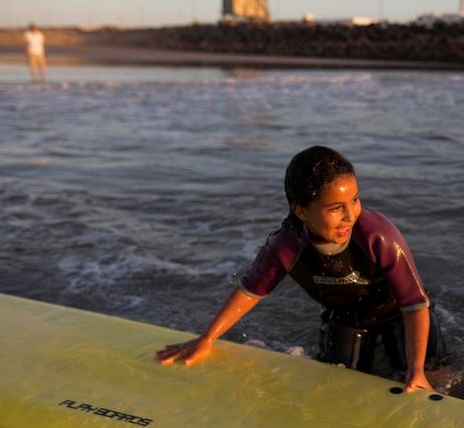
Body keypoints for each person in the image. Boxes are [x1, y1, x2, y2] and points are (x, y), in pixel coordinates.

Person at [155, 146, 445, 392]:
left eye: (354, 201)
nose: (349, 216)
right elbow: (250, 291)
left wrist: (417, 371)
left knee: (427, 378)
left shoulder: (376, 235)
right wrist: (207, 338)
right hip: (347, 317)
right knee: (339, 384)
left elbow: (414, 304)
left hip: (398, 312)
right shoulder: (286, 246)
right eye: (335, 208)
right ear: (301, 210)